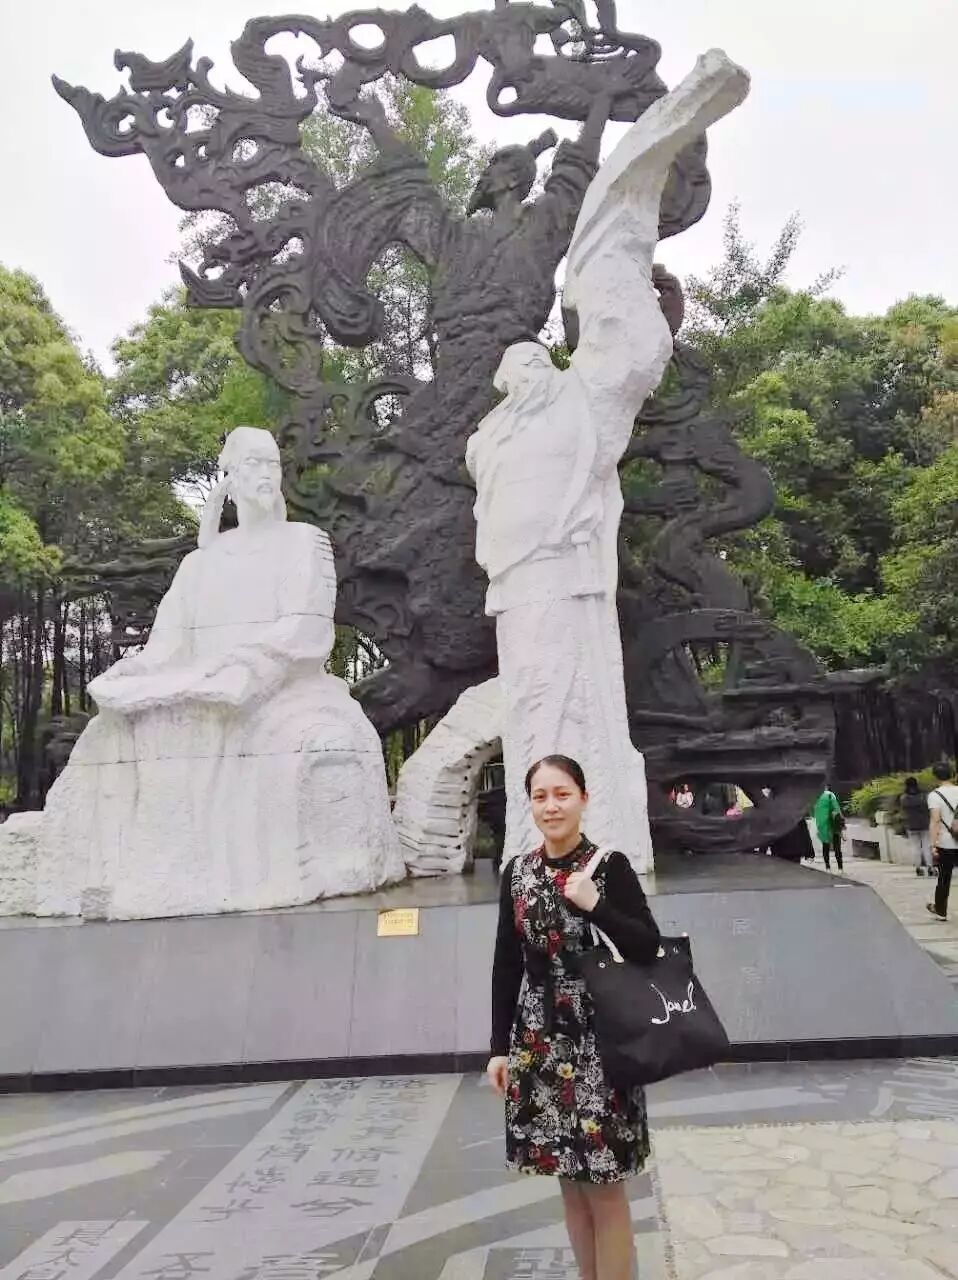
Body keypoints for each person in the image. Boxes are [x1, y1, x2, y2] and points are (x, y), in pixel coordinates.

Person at [487, 755, 661, 1280]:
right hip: (539, 1042)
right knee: (569, 1181)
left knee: (604, 1187)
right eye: (540, 796)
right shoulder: (517, 873)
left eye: (562, 794)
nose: (551, 806)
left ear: (583, 798)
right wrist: (498, 1048)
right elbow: (506, 963)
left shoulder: (608, 867)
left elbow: (647, 946)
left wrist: (596, 905)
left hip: (600, 1043)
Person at [927, 761, 958, 920]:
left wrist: (933, 845)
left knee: (944, 877)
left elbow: (935, 821)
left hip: (946, 843)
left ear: (935, 776)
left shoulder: (935, 796)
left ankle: (941, 911)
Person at [900, 776, 935, 877]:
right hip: (925, 824)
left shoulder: (904, 798)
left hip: (911, 825)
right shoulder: (924, 796)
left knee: (915, 847)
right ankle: (930, 867)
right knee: (927, 846)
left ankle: (918, 868)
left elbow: (904, 812)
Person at [814, 785, 844, 872]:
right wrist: (842, 822)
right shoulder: (830, 795)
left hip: (823, 826)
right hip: (833, 824)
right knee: (837, 847)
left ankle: (827, 867)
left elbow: (813, 812)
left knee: (825, 847)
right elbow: (837, 809)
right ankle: (840, 868)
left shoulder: (816, 798)